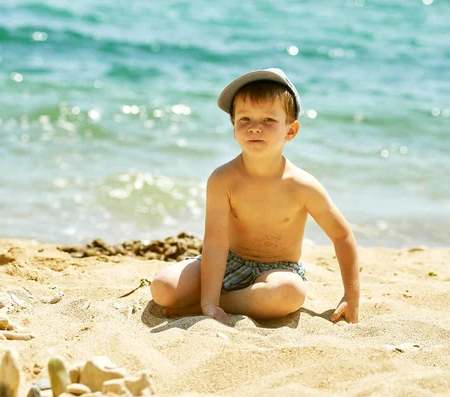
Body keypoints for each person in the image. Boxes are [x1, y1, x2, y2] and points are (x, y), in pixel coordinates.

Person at [150, 68, 359, 324]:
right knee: (162, 288)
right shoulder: (222, 179)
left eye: (268, 120)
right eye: (245, 119)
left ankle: (207, 304)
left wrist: (351, 296)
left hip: (278, 271)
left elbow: (342, 235)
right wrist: (209, 301)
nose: (255, 128)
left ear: (290, 131)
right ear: (233, 127)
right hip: (228, 262)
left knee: (289, 294)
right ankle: (209, 302)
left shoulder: (302, 185)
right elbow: (215, 242)